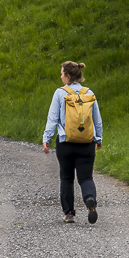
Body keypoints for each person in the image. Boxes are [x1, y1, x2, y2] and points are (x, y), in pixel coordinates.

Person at [42, 60, 102, 224]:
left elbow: (52, 118)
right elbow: (97, 120)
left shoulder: (60, 93)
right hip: (86, 143)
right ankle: (90, 199)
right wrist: (99, 138)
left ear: (67, 76)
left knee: (67, 178)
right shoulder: (89, 92)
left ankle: (69, 213)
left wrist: (46, 138)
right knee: (86, 178)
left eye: (62, 74)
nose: (61, 76)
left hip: (66, 143)